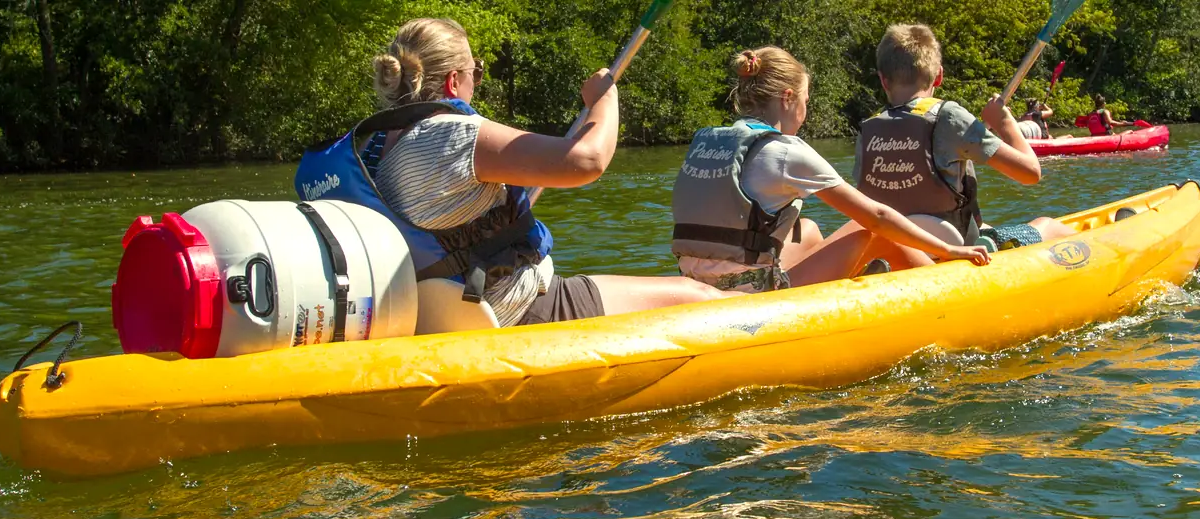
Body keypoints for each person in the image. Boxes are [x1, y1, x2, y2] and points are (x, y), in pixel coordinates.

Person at [295, 18, 730, 328]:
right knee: (701, 298)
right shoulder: (452, 137)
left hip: (433, 316)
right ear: (452, 82)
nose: (476, 83)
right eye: (475, 73)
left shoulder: (365, 149)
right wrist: (605, 97)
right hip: (516, 307)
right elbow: (586, 161)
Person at [669, 47, 990, 293]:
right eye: (805, 101)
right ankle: (942, 291)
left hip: (702, 286)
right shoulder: (784, 152)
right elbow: (877, 216)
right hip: (752, 295)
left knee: (805, 229)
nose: (805, 113)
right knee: (872, 232)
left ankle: (851, 283)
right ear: (788, 98)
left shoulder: (708, 141)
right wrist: (948, 249)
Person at [846, 23, 1078, 271]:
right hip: (955, 250)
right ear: (939, 76)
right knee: (1049, 226)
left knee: (984, 225)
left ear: (883, 80)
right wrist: (1005, 122)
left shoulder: (868, 129)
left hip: (892, 249)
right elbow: (1031, 172)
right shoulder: (949, 117)